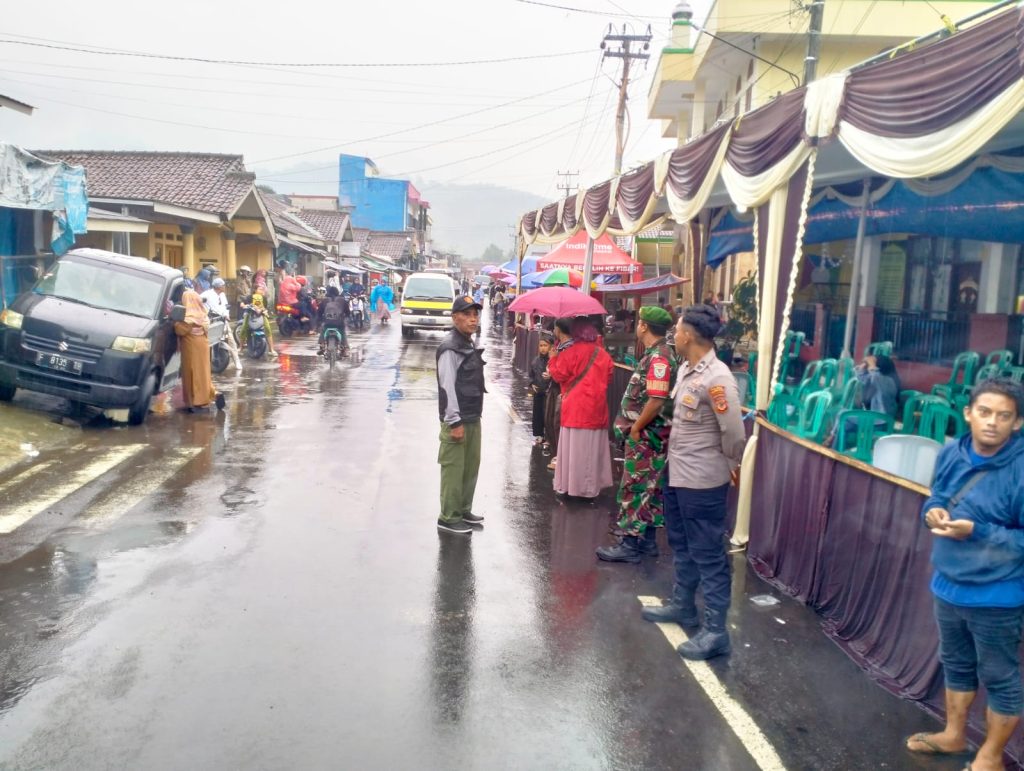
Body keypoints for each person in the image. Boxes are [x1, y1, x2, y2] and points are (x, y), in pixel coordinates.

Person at [906, 378, 1024, 770]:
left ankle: (991, 758)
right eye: (985, 412)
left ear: (1017, 423)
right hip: (948, 585)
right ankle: (954, 736)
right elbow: (937, 494)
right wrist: (933, 512)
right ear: (969, 413)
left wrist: (978, 531)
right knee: (955, 663)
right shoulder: (951, 452)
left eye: (1004, 416)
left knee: (1000, 677)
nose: (993, 422)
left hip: (997, 594)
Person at [641, 304, 746, 661]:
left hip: (703, 480)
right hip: (679, 472)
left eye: (679, 330)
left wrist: (728, 465)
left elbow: (734, 433)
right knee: (682, 544)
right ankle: (682, 605)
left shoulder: (717, 379)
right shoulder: (688, 369)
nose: (675, 335)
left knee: (708, 553)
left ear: (690, 335)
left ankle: (716, 631)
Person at [597, 306, 678, 563]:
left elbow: (656, 399)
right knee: (651, 489)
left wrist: (635, 428)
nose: (637, 326)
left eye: (640, 322)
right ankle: (649, 542)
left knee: (634, 487)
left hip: (647, 437)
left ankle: (630, 544)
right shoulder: (657, 354)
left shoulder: (659, 359)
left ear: (644, 326)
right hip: (651, 436)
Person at [435, 295, 487, 536]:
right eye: (467, 314)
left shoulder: (468, 343)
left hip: (472, 416)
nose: (472, 319)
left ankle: (464, 509)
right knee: (454, 469)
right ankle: (449, 516)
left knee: (469, 468)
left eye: (475, 314)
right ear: (455, 317)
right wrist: (454, 421)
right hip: (457, 419)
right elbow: (448, 386)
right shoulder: (450, 347)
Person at [547, 317, 614, 499]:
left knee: (574, 450)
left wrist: (553, 360)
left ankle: (572, 487)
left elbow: (558, 374)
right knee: (592, 450)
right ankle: (590, 488)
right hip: (597, 408)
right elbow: (608, 378)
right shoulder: (604, 354)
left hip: (575, 407)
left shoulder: (571, 352)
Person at [174, 288, 225, 413]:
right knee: (203, 373)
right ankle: (214, 393)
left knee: (192, 373)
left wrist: (175, 324)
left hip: (191, 346)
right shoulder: (203, 315)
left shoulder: (188, 317)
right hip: (203, 344)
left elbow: (180, 330)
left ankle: (195, 402)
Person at [200, 277, 242, 373]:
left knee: (231, 341)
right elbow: (198, 300)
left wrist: (227, 315)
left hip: (223, 321)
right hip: (211, 321)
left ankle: (237, 361)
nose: (224, 287)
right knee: (208, 342)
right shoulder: (207, 294)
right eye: (223, 285)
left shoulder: (222, 295)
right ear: (219, 286)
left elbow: (225, 307)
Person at [855, 354, 900, 419]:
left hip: (882, 419)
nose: (869, 368)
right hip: (873, 417)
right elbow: (861, 377)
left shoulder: (888, 381)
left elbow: (875, 376)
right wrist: (864, 365)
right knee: (840, 413)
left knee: (843, 417)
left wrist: (872, 363)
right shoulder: (877, 379)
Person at [528, 334, 553, 446]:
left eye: (545, 345)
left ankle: (548, 437)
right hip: (538, 391)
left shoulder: (553, 361)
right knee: (537, 414)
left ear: (550, 346)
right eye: (541, 345)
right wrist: (531, 384)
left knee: (547, 416)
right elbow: (531, 375)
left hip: (548, 393)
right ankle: (538, 435)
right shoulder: (535, 361)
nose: (543, 348)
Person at [238, 293, 277, 358]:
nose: (262, 290)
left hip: (261, 315)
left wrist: (262, 309)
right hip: (249, 314)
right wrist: (245, 306)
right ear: (255, 289)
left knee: (268, 328)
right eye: (260, 288)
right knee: (244, 328)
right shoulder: (250, 296)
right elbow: (242, 303)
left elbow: (265, 306)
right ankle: (240, 348)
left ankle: (271, 349)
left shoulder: (263, 297)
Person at [317, 286, 349, 356]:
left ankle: (321, 346)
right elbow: (347, 312)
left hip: (327, 322)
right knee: (342, 331)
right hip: (339, 322)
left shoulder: (325, 300)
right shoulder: (342, 300)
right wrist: (346, 317)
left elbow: (319, 312)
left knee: (323, 329)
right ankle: (344, 348)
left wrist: (319, 321)